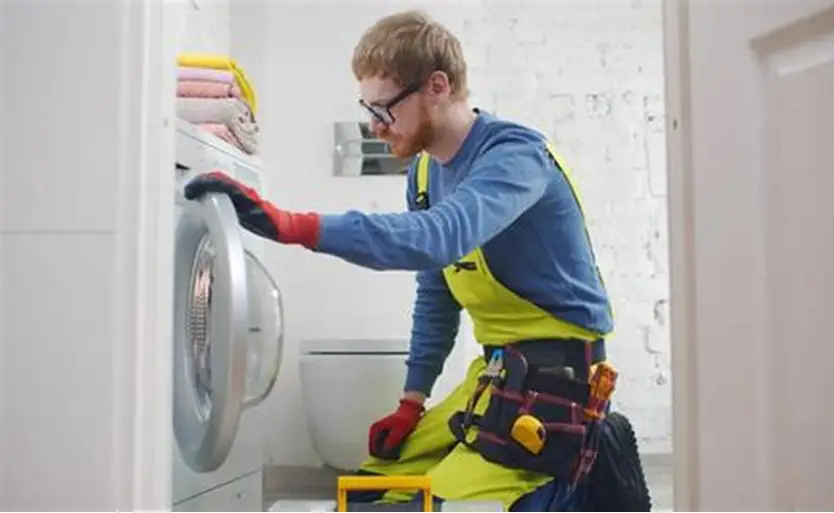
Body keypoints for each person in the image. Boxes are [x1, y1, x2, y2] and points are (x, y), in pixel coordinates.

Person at [184, 9, 651, 512]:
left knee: (423, 507)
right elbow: (436, 295)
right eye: (369, 109)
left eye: (384, 109)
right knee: (371, 490)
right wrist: (412, 402)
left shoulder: (517, 158)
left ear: (437, 86)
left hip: (556, 394)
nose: (375, 126)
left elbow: (439, 238)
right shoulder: (425, 175)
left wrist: (293, 225)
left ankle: (576, 480)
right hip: (495, 383)